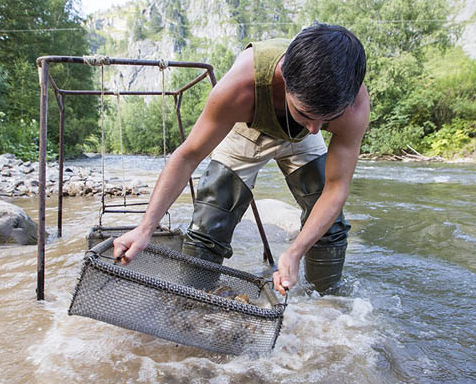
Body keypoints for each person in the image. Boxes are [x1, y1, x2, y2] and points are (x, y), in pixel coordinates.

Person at [113, 23, 370, 295]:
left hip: (302, 133)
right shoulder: (240, 88)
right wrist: (145, 229)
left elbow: (336, 189)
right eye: (306, 114)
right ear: (283, 78)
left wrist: (295, 252)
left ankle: (325, 304)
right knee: (211, 219)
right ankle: (192, 303)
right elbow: (189, 156)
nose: (316, 130)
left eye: (327, 120)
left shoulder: (352, 105)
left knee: (331, 225)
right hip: (249, 122)